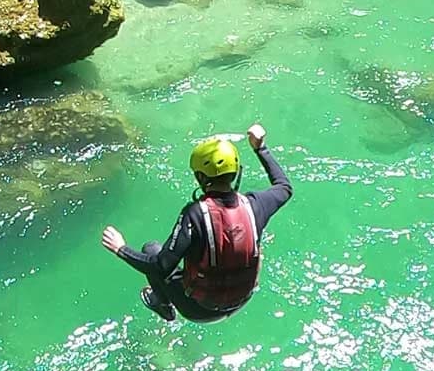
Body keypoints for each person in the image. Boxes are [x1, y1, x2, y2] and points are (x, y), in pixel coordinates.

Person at [100, 124, 293, 322]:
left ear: (200, 177)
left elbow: (161, 266)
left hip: (199, 309)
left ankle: (163, 304)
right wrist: (260, 148)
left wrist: (121, 249)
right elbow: (284, 186)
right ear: (236, 171)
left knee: (151, 249)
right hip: (242, 300)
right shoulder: (256, 205)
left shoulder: (195, 214)